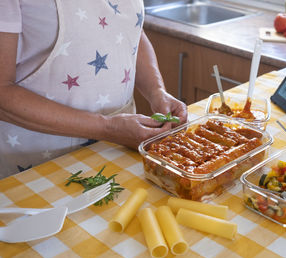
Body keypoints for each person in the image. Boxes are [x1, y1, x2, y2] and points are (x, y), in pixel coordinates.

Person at [0, 0, 188, 178]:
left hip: (117, 149)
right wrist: (109, 128)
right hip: (37, 163)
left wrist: (156, 91)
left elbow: (130, 30)